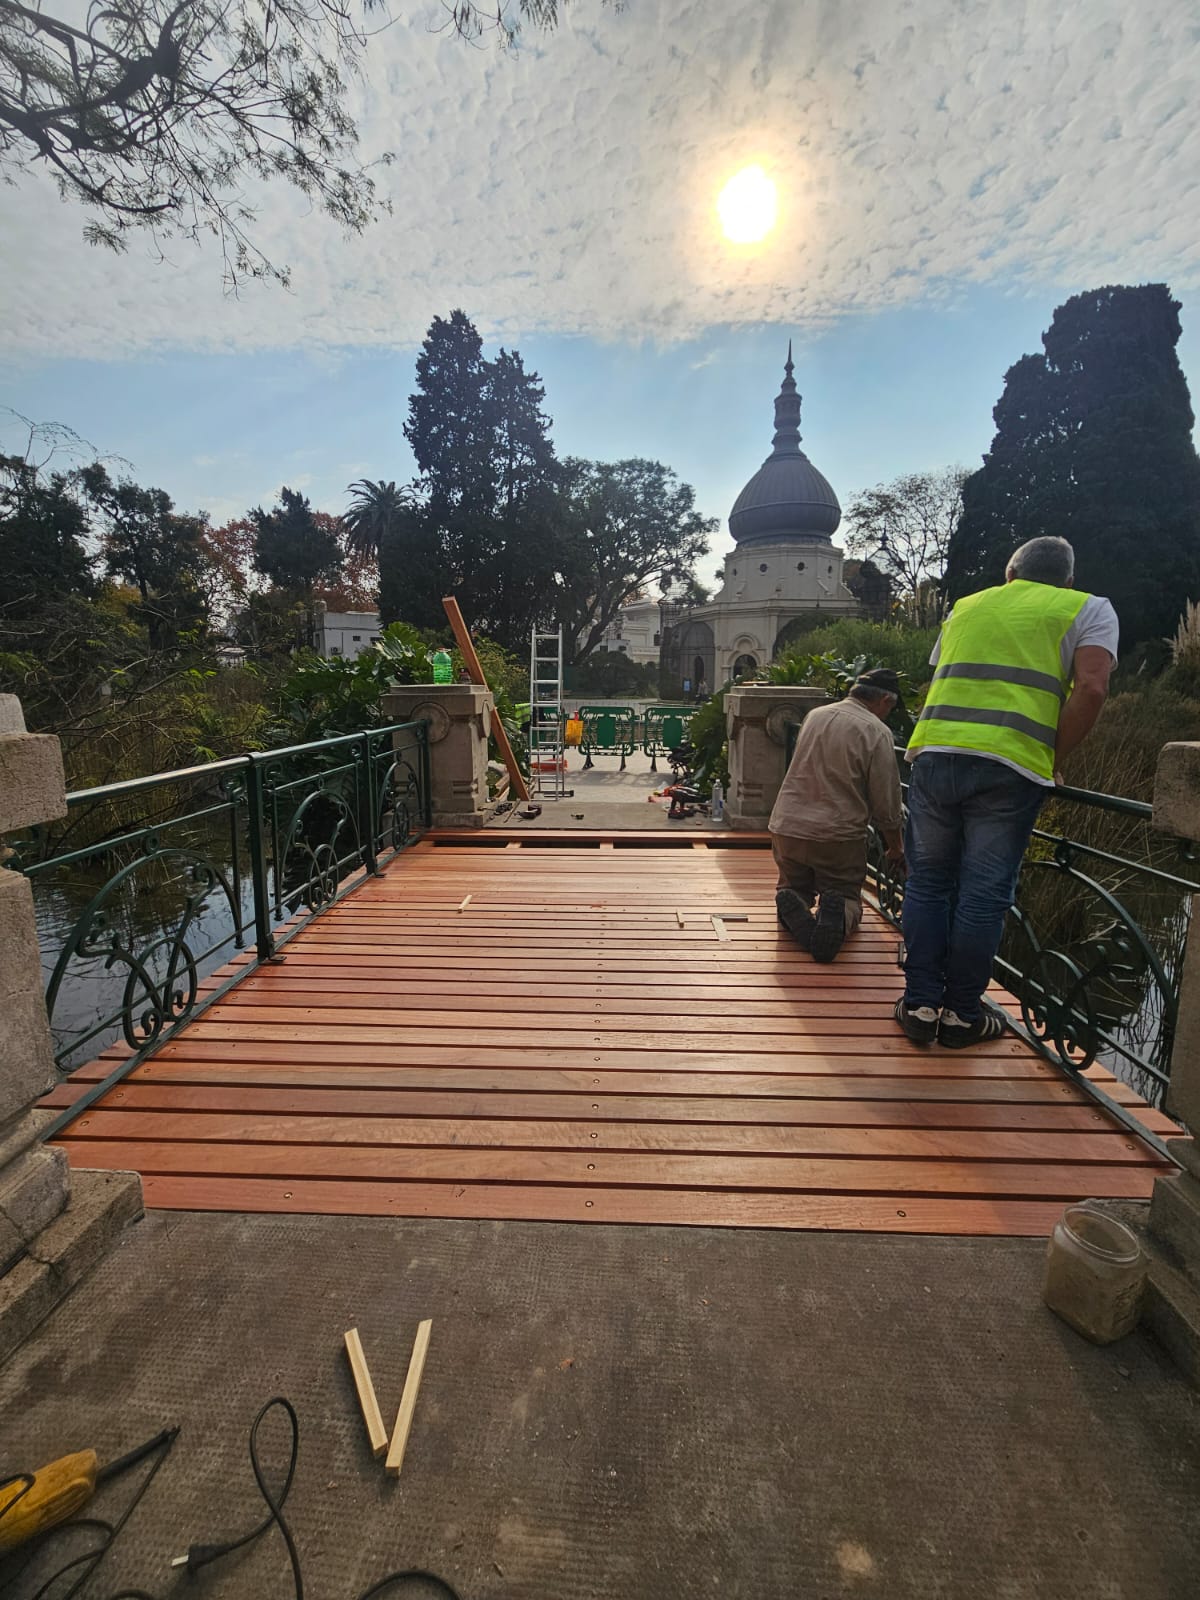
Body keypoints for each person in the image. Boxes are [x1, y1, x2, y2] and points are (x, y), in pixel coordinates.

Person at [895, 536, 1117, 1048]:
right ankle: (961, 1017)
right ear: (1066, 580)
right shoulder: (1087, 608)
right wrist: (1052, 760)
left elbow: (947, 676)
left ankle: (921, 1005)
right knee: (982, 896)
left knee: (927, 884)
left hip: (933, 752)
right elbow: (1092, 687)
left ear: (1009, 574)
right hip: (1010, 765)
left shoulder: (965, 607)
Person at [768, 668, 905, 963]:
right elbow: (886, 800)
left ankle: (795, 911)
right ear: (883, 700)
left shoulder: (815, 716)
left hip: (786, 826)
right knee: (845, 895)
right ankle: (837, 916)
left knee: (793, 886)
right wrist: (896, 846)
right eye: (889, 708)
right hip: (837, 836)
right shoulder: (876, 731)